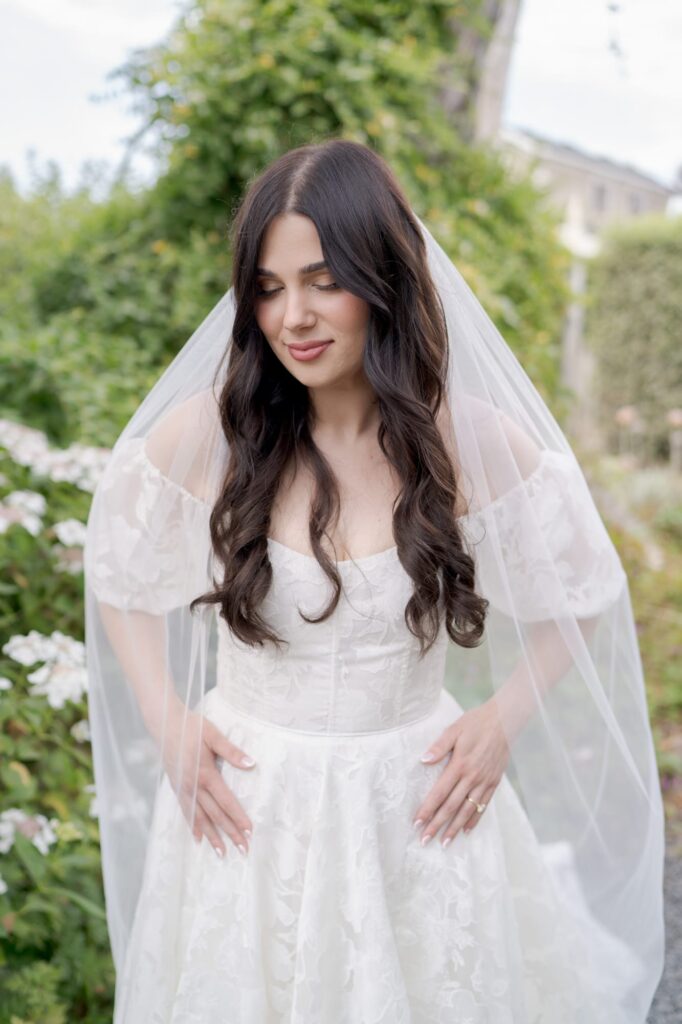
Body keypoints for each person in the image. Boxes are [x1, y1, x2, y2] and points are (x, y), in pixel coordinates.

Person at [83, 138, 665, 1023]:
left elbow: (585, 591)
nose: (295, 317)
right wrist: (167, 717)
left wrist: (501, 721)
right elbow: (117, 571)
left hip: (417, 814)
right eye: (270, 289)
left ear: (383, 278)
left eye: (325, 280)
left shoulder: (465, 442)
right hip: (248, 815)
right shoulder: (220, 432)